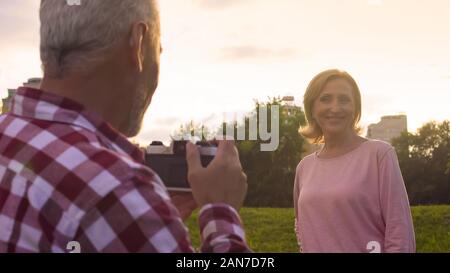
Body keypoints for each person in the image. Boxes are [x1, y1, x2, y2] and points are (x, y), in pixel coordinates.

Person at [0, 0, 249, 253]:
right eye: (158, 49)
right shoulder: (117, 189)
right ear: (138, 43)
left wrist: (149, 222)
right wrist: (221, 210)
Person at [293, 69, 415, 253]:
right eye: (325, 99)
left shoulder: (379, 154)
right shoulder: (304, 168)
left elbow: (399, 232)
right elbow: (302, 231)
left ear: (355, 109)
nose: (335, 107)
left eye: (344, 99)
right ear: (312, 108)